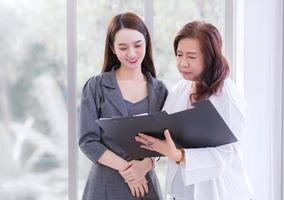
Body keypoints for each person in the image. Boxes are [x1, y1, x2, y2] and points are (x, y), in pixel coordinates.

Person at [135, 21, 253, 200]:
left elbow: (229, 151)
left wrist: (179, 155)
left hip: (220, 192)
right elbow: (163, 126)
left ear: (210, 57)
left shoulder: (227, 96)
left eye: (191, 57)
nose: (182, 63)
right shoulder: (181, 88)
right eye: (179, 55)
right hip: (183, 192)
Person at [79, 12, 167, 200]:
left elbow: (167, 140)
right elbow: (88, 141)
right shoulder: (96, 86)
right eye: (123, 47)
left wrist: (145, 166)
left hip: (146, 186)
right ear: (112, 48)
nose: (132, 53)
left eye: (137, 45)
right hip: (104, 186)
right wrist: (129, 171)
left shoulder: (160, 90)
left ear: (147, 43)